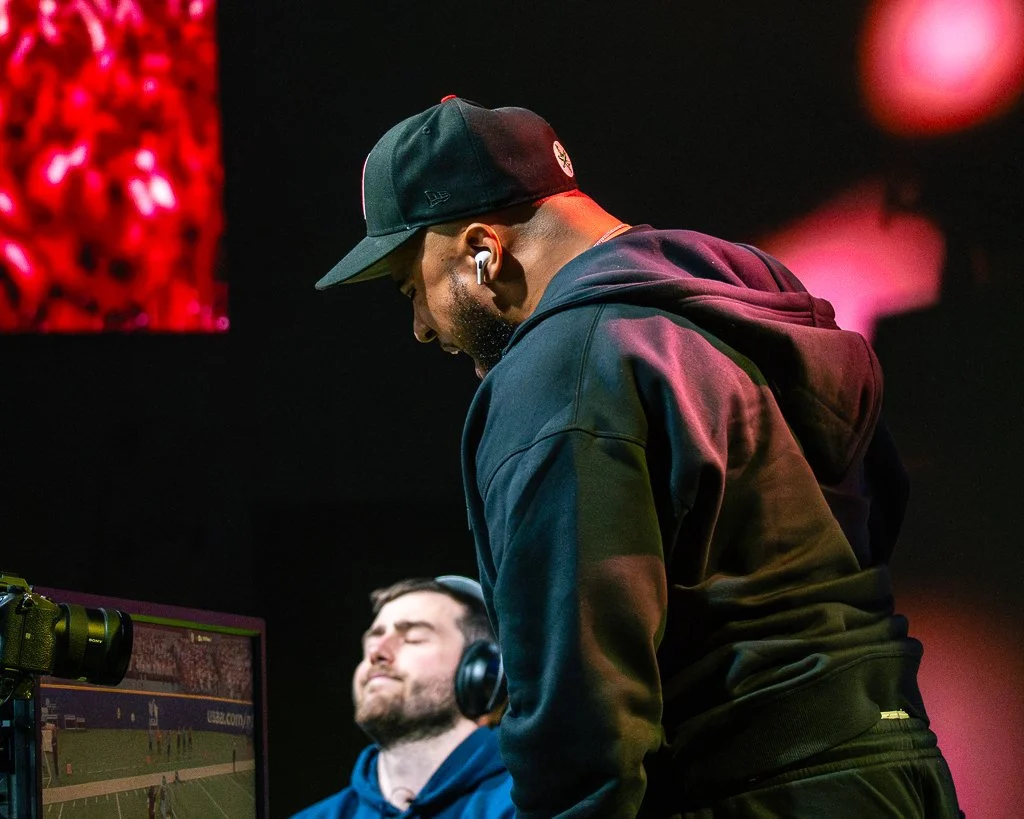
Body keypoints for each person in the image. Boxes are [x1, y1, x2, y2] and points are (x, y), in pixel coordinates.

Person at [313, 95, 964, 818]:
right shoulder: (747, 296)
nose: (419, 327)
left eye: (414, 288)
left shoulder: (561, 372)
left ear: (482, 251)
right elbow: (879, 506)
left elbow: (579, 710)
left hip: (756, 793)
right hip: (898, 772)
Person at [288, 575, 514, 818]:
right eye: (373, 640)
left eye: (412, 638)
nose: (377, 652)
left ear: (478, 671)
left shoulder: (530, 805)